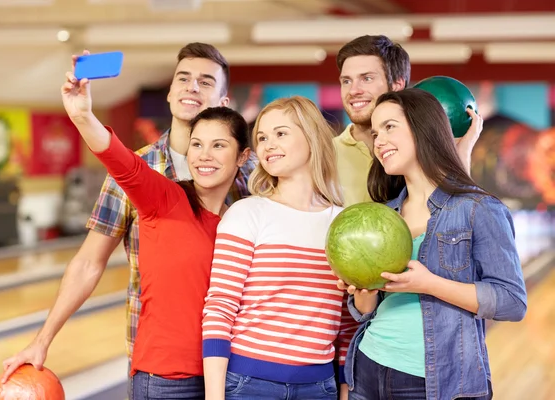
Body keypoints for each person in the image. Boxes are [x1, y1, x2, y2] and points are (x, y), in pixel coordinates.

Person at [1, 43, 256, 395]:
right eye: (183, 78)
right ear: (169, 93)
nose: (192, 87)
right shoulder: (141, 173)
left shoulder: (253, 175)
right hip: (162, 362)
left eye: (205, 81)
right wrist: (43, 339)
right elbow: (89, 262)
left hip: (237, 360)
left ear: (225, 102)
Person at [339, 88, 527, 400]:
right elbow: (367, 311)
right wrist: (363, 292)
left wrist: (429, 284)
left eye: (389, 127)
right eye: (375, 133)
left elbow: (512, 302)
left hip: (437, 382)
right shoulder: (384, 214)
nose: (379, 141)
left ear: (422, 127)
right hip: (368, 370)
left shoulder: (477, 209)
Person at [202, 96, 359, 400]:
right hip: (249, 384)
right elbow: (220, 307)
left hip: (320, 386)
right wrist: (213, 396)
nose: (268, 145)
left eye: (281, 134)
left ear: (312, 137)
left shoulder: (342, 223)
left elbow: (346, 321)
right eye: (262, 137)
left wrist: (343, 391)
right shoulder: (248, 213)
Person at [334, 35, 482, 206]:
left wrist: (462, 152)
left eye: (367, 78)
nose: (353, 90)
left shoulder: (420, 152)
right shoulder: (325, 155)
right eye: (346, 81)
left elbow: (459, 214)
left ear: (397, 84)